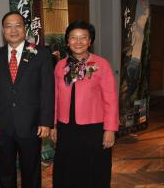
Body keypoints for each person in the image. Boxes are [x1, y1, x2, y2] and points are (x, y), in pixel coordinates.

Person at [0, 11, 55, 188]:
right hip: (2, 125)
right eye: (8, 26)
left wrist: (46, 122)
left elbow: (47, 90)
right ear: (2, 30)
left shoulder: (41, 54)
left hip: (31, 125)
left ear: (24, 29)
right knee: (5, 174)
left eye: (18, 25)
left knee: (31, 173)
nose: (13, 30)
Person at [51, 20, 119, 188]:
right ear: (67, 41)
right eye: (73, 37)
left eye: (83, 37)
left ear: (90, 41)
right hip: (66, 127)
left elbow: (110, 99)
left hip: (94, 128)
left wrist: (110, 129)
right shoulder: (61, 66)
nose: (78, 42)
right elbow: (55, 97)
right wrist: (53, 124)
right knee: (67, 168)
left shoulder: (101, 65)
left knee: (94, 169)